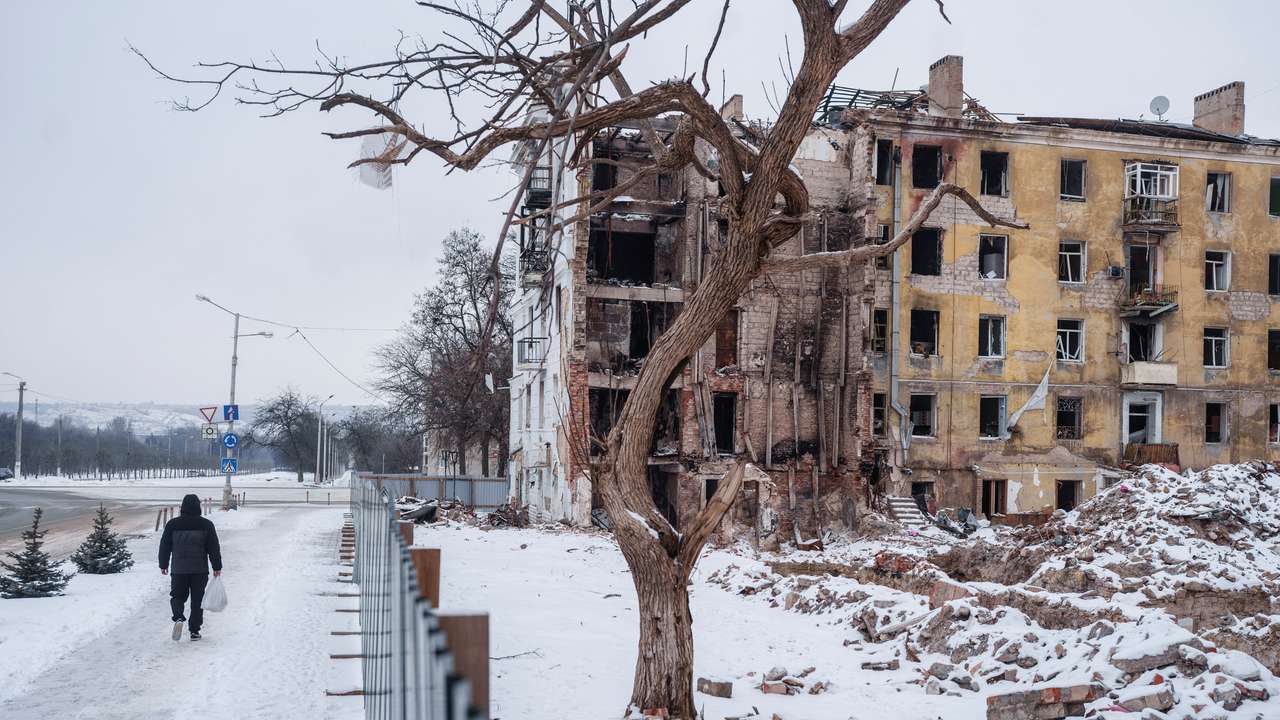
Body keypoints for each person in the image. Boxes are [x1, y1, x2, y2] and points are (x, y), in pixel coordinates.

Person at [158, 494, 222, 641]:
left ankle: (179, 617)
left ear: (183, 507)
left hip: (179, 568)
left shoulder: (172, 524)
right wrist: (217, 566)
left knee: (177, 596)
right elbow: (213, 548)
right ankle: (194, 631)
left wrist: (163, 564)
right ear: (198, 506)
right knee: (197, 600)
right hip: (199, 569)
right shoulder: (206, 524)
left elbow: (165, 546)